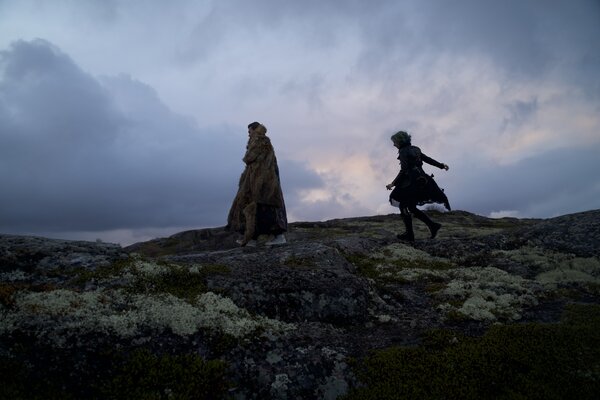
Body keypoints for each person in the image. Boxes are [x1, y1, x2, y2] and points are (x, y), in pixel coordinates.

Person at [227, 122, 288, 247]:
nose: (248, 134)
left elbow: (250, 158)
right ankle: (252, 238)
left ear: (255, 130)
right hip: (257, 181)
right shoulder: (258, 142)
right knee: (254, 209)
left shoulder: (261, 141)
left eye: (250, 131)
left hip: (264, 182)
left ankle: (278, 237)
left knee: (267, 209)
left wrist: (259, 180)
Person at [386, 130, 451, 242]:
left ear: (400, 141)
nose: (394, 144)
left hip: (411, 183)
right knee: (411, 207)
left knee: (403, 205)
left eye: (395, 142)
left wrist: (393, 183)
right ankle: (432, 226)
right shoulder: (415, 149)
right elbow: (427, 159)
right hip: (423, 180)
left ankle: (410, 235)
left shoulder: (403, 151)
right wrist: (441, 165)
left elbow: (404, 170)